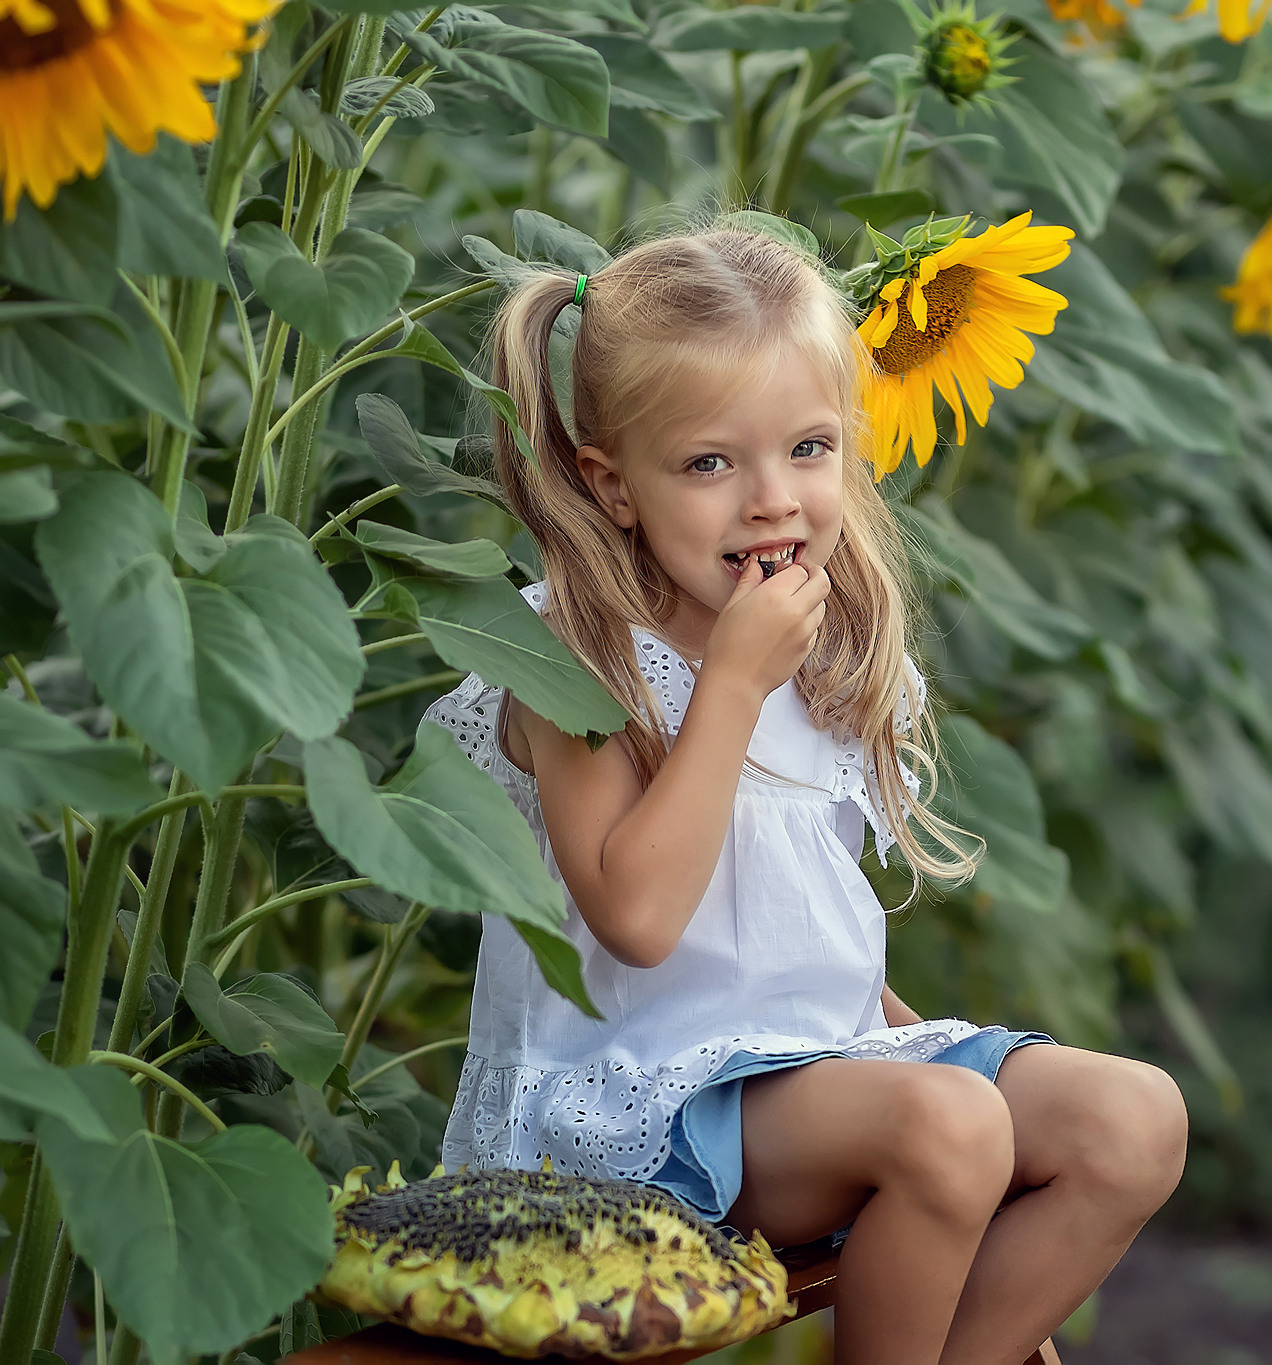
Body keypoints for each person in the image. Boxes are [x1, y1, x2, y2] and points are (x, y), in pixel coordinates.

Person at [420, 226, 1187, 1365]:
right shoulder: (575, 655)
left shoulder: (826, 646)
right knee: (950, 1127)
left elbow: (793, 912)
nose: (772, 501)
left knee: (1133, 1121)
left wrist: (902, 1034)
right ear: (611, 483)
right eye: (709, 464)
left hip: (805, 1077)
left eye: (809, 448)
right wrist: (727, 683)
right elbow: (638, 922)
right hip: (626, 1113)